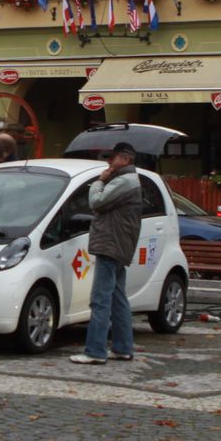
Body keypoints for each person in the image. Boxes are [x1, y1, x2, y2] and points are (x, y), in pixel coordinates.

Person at [72, 141, 141, 365]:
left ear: (126, 159)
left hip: (110, 243)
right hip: (118, 244)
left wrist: (100, 180)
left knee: (100, 299)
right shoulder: (127, 180)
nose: (108, 162)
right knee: (117, 297)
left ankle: (95, 351)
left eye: (113, 158)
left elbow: (96, 201)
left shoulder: (124, 181)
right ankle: (122, 347)